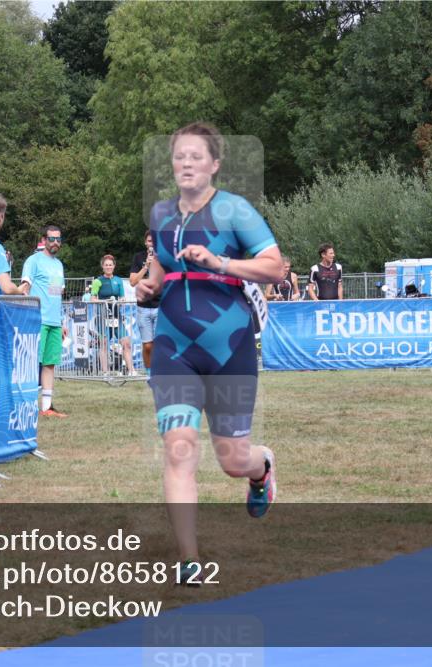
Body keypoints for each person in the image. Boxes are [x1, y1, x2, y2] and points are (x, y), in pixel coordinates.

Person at [134, 122, 283, 582]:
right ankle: (189, 561)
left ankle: (262, 470)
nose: (186, 164)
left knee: (232, 460)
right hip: (174, 345)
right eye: (179, 156)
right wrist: (147, 288)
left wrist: (220, 262)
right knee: (179, 448)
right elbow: (159, 271)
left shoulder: (236, 211)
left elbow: (275, 268)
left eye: (196, 156)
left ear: (215, 164)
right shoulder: (160, 215)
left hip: (230, 346)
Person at [21, 225, 67, 418]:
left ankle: (46, 407)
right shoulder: (33, 261)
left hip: (54, 322)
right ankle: (27, 405)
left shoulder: (58, 265)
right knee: (32, 364)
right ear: (43, 240)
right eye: (51, 239)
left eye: (58, 239)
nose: (55, 242)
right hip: (37, 319)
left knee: (49, 364)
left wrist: (62, 320)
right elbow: (25, 288)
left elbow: (56, 295)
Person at [90, 254, 135, 376]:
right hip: (102, 317)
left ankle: (131, 371)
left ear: (114, 266)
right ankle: (105, 372)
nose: (108, 267)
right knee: (104, 343)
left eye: (110, 265)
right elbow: (93, 299)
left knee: (125, 342)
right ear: (102, 266)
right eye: (106, 265)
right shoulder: (97, 281)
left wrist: (122, 301)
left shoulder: (118, 280)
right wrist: (105, 301)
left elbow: (122, 297)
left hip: (116, 316)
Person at [130, 231, 160, 370]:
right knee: (147, 345)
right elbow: (132, 281)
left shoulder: (164, 258)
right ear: (145, 242)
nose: (151, 244)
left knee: (160, 343)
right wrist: (146, 266)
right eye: (149, 241)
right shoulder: (138, 257)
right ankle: (149, 373)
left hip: (160, 306)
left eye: (154, 241)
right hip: (143, 308)